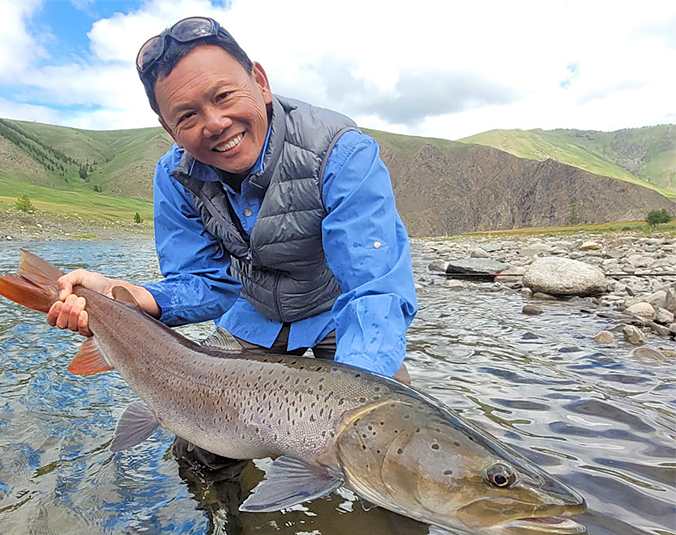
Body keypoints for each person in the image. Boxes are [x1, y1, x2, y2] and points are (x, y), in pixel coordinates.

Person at [47, 16, 417, 468]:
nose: (215, 123)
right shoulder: (174, 176)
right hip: (255, 309)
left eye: (223, 96)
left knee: (389, 451)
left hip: (338, 314)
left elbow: (373, 289)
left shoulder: (341, 152)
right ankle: (229, 531)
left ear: (259, 81)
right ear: (168, 128)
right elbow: (207, 282)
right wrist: (134, 298)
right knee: (202, 452)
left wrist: (352, 411)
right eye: (187, 116)